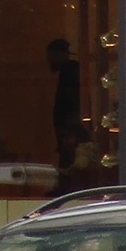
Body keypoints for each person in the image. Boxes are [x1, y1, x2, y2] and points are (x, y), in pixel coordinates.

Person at [47, 38, 86, 167]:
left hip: (69, 129)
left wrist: (68, 130)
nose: (49, 60)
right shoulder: (67, 71)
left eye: (51, 55)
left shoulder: (70, 72)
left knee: (69, 163)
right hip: (67, 129)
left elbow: (69, 102)